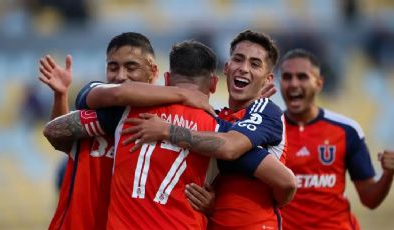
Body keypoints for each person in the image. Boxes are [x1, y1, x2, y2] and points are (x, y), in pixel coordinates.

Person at [121, 30, 296, 229]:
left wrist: (167, 130)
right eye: (238, 60)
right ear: (227, 68)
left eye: (255, 64)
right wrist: (215, 206)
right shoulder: (215, 118)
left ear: (267, 78)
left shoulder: (266, 111)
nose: (244, 68)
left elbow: (284, 182)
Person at [39, 32, 161, 230]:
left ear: (153, 71)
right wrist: (61, 95)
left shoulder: (163, 124)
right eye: (113, 67)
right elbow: (59, 136)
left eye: (131, 67)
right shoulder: (95, 104)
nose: (120, 76)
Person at [278, 48, 394, 230]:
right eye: (287, 77)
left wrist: (388, 175)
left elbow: (369, 199)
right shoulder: (269, 131)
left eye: (302, 77)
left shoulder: (346, 130)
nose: (293, 83)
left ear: (319, 83)